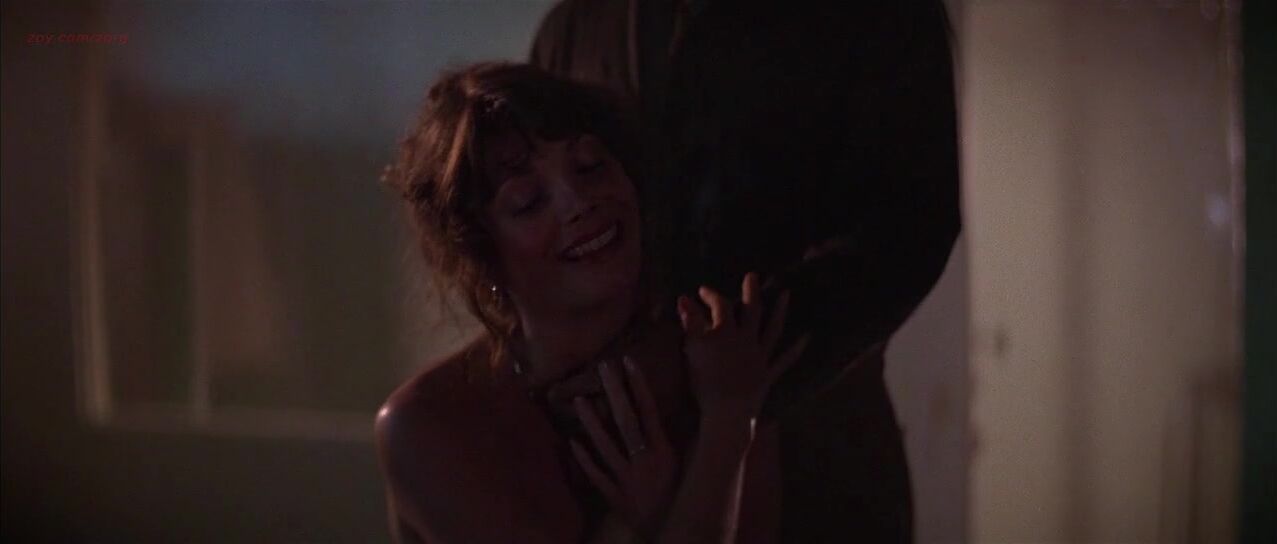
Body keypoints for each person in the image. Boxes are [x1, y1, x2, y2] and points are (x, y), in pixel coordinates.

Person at [529, 0, 961, 540]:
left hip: (816, 458)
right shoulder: (575, 28)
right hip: (614, 471)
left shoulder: (873, 14)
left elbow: (907, 232)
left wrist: (693, 369)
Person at [375, 62, 806, 543]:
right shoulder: (431, 425)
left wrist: (729, 417)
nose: (579, 202)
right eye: (528, 202)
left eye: (589, 166)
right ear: (481, 254)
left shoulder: (722, 361)